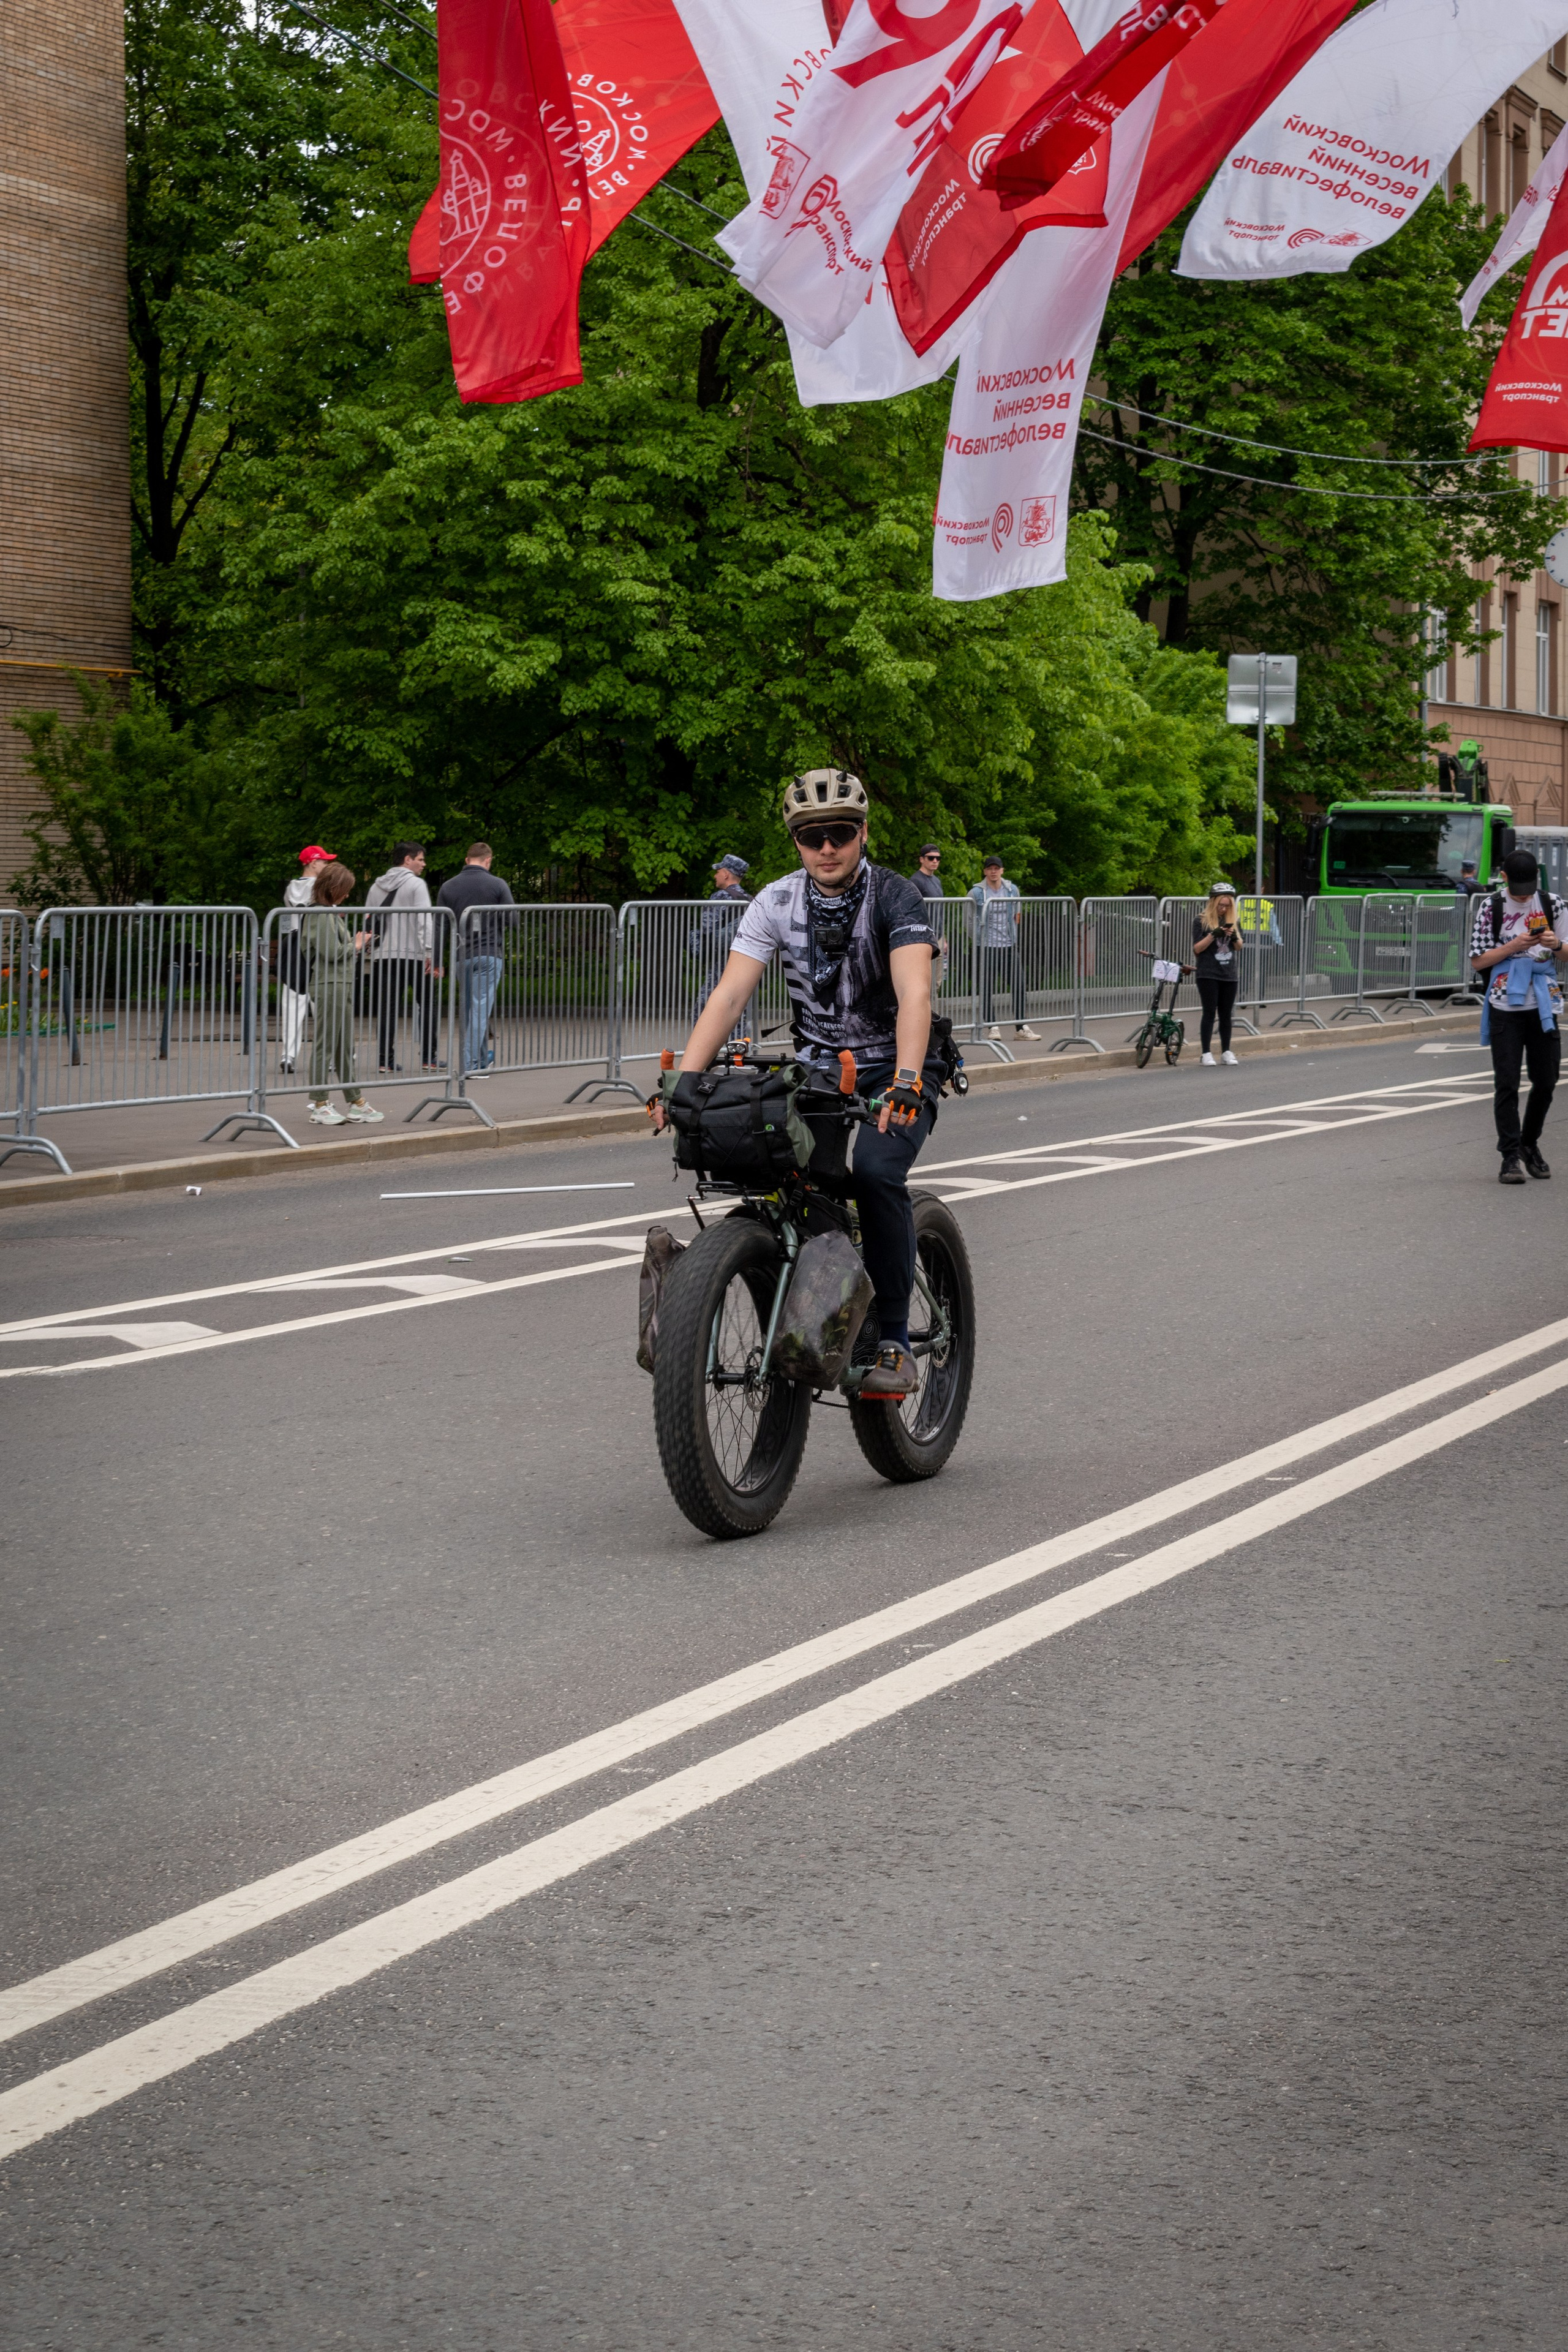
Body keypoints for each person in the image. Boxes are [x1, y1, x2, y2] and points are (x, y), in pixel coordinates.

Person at [650, 767, 940, 1398]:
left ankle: (892, 1339)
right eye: (812, 837)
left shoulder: (895, 898)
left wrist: (909, 1082)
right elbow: (729, 995)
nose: (827, 847)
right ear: (796, 843)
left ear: (862, 834)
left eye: (839, 833)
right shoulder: (774, 901)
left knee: (877, 1174)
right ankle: (796, 1303)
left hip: (896, 1067)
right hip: (817, 1070)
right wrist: (685, 1083)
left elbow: (915, 993)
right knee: (779, 1170)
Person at [1468, 846, 1568, 1183]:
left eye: (1529, 891)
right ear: (1505, 878)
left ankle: (1529, 1143)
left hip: (1544, 1004)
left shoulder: (1553, 905)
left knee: (1547, 1081)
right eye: (1517, 891)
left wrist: (1556, 945)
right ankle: (1509, 1156)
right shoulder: (1491, 906)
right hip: (1504, 1006)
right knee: (1507, 1083)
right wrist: (1515, 946)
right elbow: (1478, 960)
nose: (1524, 899)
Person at [302, 862, 384, 1126]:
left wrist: (355, 944)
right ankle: (320, 1103)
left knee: (343, 1047)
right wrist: (356, 944)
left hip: (339, 983)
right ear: (334, 888)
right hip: (330, 984)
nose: (347, 895)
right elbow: (333, 953)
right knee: (327, 1045)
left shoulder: (326, 914)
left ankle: (355, 1101)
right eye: (345, 890)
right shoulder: (320, 915)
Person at [437, 842, 517, 1076]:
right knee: (480, 1010)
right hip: (490, 954)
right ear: (488, 861)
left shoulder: (448, 886)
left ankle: (481, 1061)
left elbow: (440, 925)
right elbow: (512, 920)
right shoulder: (497, 884)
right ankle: (470, 1066)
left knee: (472, 1010)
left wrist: (437, 959)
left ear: (466, 859)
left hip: (462, 957)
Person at [366, 842, 442, 1074]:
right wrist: (430, 952)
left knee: (388, 1008)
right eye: (420, 859)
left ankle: (385, 1061)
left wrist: (370, 950)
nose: (424, 864)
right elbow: (425, 920)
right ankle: (429, 1058)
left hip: (385, 955)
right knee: (428, 1004)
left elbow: (368, 919)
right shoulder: (416, 885)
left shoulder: (376, 886)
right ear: (407, 860)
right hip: (414, 956)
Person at [967, 855, 1039, 1041]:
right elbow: (968, 920)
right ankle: (993, 1027)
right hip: (987, 946)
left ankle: (1021, 1027)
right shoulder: (976, 893)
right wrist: (977, 940)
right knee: (987, 987)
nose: (993, 872)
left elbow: (1017, 914)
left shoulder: (1011, 890)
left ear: (1002, 871)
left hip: (1008, 945)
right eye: (990, 869)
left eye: (996, 869)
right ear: (985, 872)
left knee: (1019, 985)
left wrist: (1013, 935)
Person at [277, 846, 332, 1073]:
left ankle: (288, 1055)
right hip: (317, 947)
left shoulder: (291, 888)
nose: (327, 866)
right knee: (323, 1004)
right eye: (324, 861)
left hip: (294, 945)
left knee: (292, 1003)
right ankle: (330, 1056)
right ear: (313, 863)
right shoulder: (321, 888)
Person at [695, 855, 752, 1020]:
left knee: (704, 1008)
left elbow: (707, 928)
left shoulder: (721, 897)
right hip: (743, 960)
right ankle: (738, 1045)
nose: (715, 875)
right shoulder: (749, 899)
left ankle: (705, 1046)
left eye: (718, 872)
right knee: (738, 1009)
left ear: (726, 874)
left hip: (721, 961)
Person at [1192, 883, 1243, 1066]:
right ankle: (1206, 1052)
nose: (1224, 909)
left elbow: (1239, 947)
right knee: (1209, 1012)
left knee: (1226, 1014)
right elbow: (1197, 949)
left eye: (1228, 906)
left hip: (1229, 973)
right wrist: (1213, 935)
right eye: (1221, 905)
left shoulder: (1233, 921)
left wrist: (1234, 936)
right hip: (1208, 973)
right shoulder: (1200, 921)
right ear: (1213, 903)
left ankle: (1226, 1051)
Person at [910, 845, 948, 992]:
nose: (935, 861)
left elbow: (941, 910)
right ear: (921, 859)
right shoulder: (916, 881)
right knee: (926, 980)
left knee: (937, 981)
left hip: (937, 935)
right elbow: (913, 911)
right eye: (931, 858)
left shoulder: (937, 881)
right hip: (924, 936)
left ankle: (935, 1013)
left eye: (938, 858)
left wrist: (944, 937)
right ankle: (926, 1013)